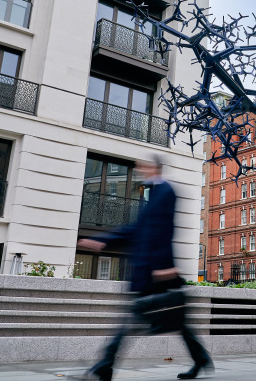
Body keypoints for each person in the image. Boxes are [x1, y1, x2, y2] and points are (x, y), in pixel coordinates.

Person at [78, 156, 213, 380]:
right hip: (149, 270)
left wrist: (164, 266)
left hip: (156, 271)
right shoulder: (153, 193)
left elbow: (163, 231)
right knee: (177, 321)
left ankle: (105, 365)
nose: (139, 168)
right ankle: (201, 359)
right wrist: (104, 240)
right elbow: (137, 229)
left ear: (153, 167)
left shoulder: (166, 191)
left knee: (132, 319)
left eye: (142, 165)